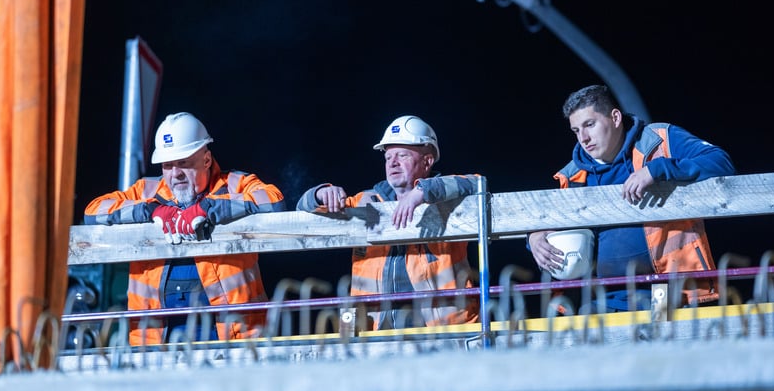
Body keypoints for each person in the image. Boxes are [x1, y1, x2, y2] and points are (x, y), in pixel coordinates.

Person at [527, 84, 736, 313]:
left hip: (666, 290)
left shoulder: (660, 140)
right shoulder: (571, 175)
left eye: (590, 124)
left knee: (659, 347)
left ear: (615, 117)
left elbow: (720, 162)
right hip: (599, 296)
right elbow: (547, 221)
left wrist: (657, 169)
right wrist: (535, 237)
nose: (584, 138)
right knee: (592, 345)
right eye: (576, 130)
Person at [83, 112, 286, 345]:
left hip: (234, 338)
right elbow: (93, 211)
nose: (175, 174)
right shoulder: (146, 193)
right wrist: (150, 210)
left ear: (207, 160)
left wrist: (210, 208)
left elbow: (273, 200)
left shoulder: (233, 185)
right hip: (156, 342)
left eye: (183, 163)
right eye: (167, 165)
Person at [297, 115, 480, 331]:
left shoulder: (450, 201)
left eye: (402, 155)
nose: (392, 163)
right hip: (370, 330)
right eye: (388, 157)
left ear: (427, 161)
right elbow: (302, 209)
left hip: (444, 330)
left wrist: (422, 192)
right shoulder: (366, 202)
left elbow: (478, 182)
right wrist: (321, 193)